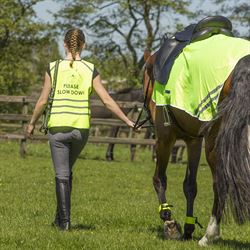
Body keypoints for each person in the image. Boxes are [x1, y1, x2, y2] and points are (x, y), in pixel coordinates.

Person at [26, 28, 135, 231]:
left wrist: (32, 123)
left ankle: (64, 224)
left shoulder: (53, 68)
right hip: (80, 130)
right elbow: (107, 100)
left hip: (58, 128)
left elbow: (42, 101)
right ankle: (59, 218)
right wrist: (127, 120)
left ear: (64, 45)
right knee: (66, 172)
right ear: (83, 45)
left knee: (61, 174)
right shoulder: (91, 69)